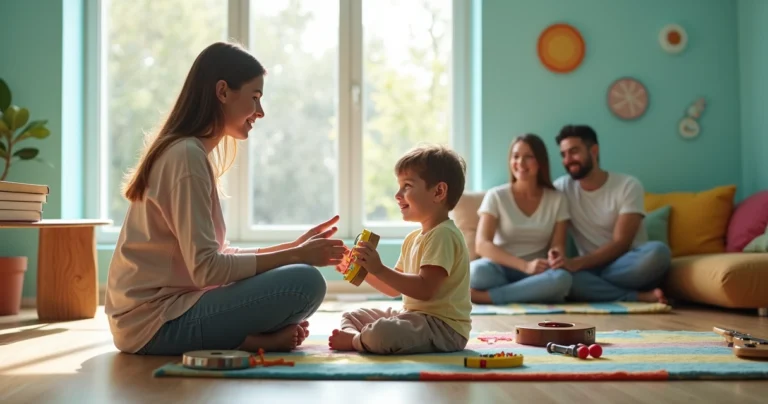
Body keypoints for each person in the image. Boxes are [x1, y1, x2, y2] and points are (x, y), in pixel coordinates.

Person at [104, 42, 347, 356]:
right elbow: (208, 270)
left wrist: (293, 247)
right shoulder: (186, 156)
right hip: (153, 323)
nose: (260, 112)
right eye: (255, 98)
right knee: (304, 283)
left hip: (163, 313)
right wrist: (296, 257)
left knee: (299, 278)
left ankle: (246, 339)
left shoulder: (190, 153)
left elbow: (218, 255)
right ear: (223, 92)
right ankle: (246, 339)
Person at [327, 144, 472, 354]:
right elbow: (394, 288)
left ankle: (357, 341)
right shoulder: (413, 238)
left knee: (383, 332)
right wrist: (361, 269)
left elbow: (424, 290)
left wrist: (379, 268)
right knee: (353, 315)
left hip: (443, 329)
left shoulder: (444, 235)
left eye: (407, 186)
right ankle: (362, 338)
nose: (397, 194)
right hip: (413, 316)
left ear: (439, 192)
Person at [553, 124, 671, 303]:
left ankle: (600, 289)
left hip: (629, 266)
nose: (568, 159)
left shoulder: (628, 185)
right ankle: (636, 297)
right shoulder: (562, 188)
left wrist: (576, 263)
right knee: (561, 278)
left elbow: (621, 243)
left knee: (658, 252)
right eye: (563, 154)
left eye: (574, 151)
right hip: (590, 270)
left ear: (594, 150)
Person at [469, 134, 573, 305]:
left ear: (540, 161)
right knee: (477, 272)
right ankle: (527, 291)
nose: (521, 163)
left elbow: (558, 245)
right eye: (516, 156)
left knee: (563, 279)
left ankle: (486, 297)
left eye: (529, 157)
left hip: (538, 272)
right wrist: (524, 266)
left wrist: (556, 255)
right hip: (499, 269)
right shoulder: (496, 195)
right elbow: (482, 245)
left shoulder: (557, 199)